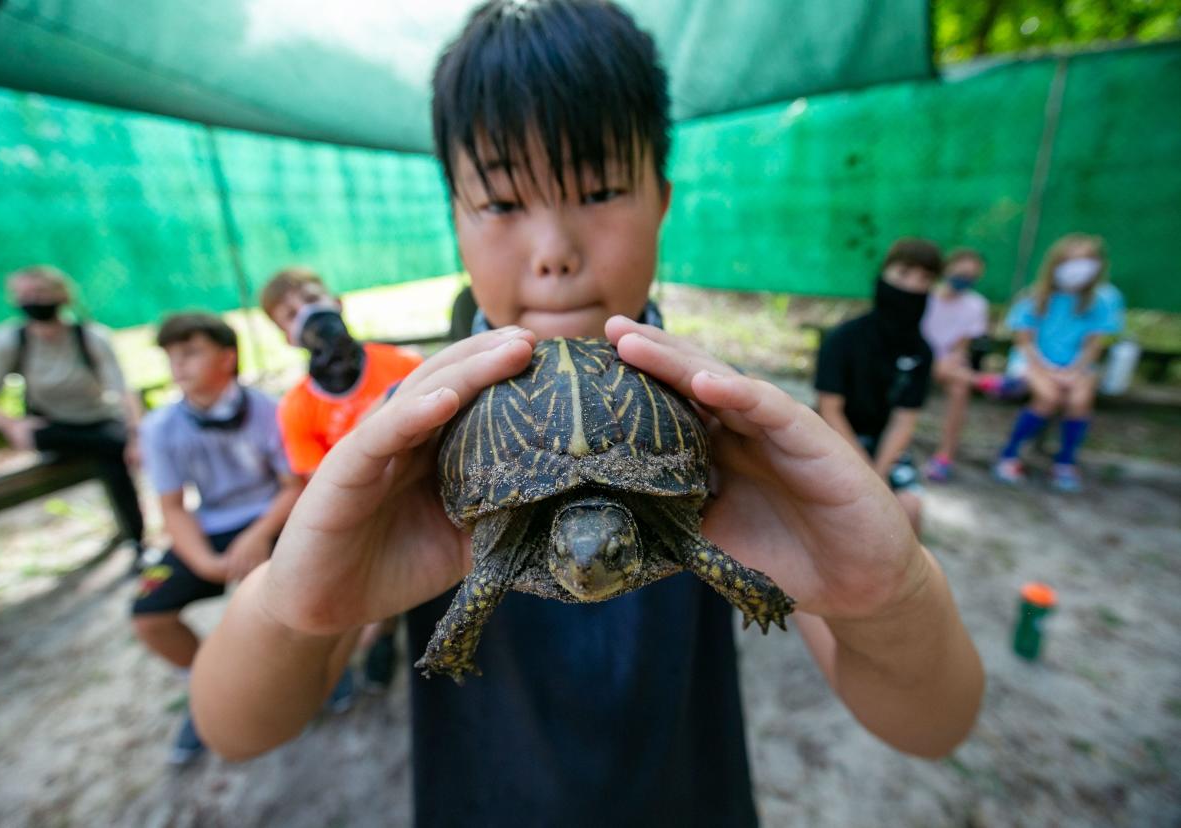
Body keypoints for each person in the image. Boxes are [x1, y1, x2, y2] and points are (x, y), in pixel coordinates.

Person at [192, 3, 984, 825]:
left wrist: (894, 593)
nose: (554, 250)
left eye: (601, 189)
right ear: (454, 221)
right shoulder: (415, 438)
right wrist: (291, 607)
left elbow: (934, 723)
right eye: (502, 203)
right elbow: (235, 728)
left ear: (664, 199)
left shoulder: (732, 432)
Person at [130, 313, 316, 764]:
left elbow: (294, 486)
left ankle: (314, 677)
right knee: (148, 614)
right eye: (172, 355)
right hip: (210, 530)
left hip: (271, 518)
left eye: (191, 351)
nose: (179, 364)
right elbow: (172, 507)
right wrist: (203, 562)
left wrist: (256, 537)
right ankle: (205, 690)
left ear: (227, 357)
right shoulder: (159, 427)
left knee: (306, 590)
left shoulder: (271, 409)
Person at [260, 267, 424, 694]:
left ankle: (382, 634)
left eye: (311, 299)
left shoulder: (403, 365)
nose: (307, 314)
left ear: (338, 302)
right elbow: (320, 483)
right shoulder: (296, 407)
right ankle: (369, 639)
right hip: (364, 506)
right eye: (290, 313)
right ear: (286, 337)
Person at [0, 265, 147, 561]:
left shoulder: (90, 337)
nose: (33, 301)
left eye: (40, 293)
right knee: (113, 448)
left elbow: (123, 389)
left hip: (96, 421)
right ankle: (138, 543)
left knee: (113, 454)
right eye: (24, 295)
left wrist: (135, 435)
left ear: (62, 295)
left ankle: (136, 540)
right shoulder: (8, 341)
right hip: (54, 428)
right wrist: (12, 425)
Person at [815, 239, 943, 534]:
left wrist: (879, 472)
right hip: (836, 437)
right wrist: (867, 472)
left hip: (885, 445)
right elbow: (830, 410)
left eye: (925, 279)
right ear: (884, 273)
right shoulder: (842, 340)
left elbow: (904, 420)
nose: (912, 286)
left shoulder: (922, 352)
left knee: (909, 507)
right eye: (904, 273)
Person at [992, 234, 1124, 492]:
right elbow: (1024, 341)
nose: (1079, 268)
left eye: (1086, 260)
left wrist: (1073, 371)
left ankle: (1065, 462)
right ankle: (1009, 454)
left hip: (1077, 365)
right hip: (1033, 361)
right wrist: (1048, 369)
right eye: (1072, 260)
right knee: (1048, 398)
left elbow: (1093, 345)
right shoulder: (1033, 296)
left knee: (1079, 400)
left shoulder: (1105, 299)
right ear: (1056, 263)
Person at [920, 248, 994, 482]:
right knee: (959, 378)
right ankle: (984, 381)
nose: (964, 279)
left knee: (959, 389)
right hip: (919, 358)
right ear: (947, 268)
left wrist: (952, 360)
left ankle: (945, 456)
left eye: (971, 276)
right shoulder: (925, 296)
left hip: (948, 365)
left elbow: (961, 346)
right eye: (961, 272)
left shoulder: (976, 305)